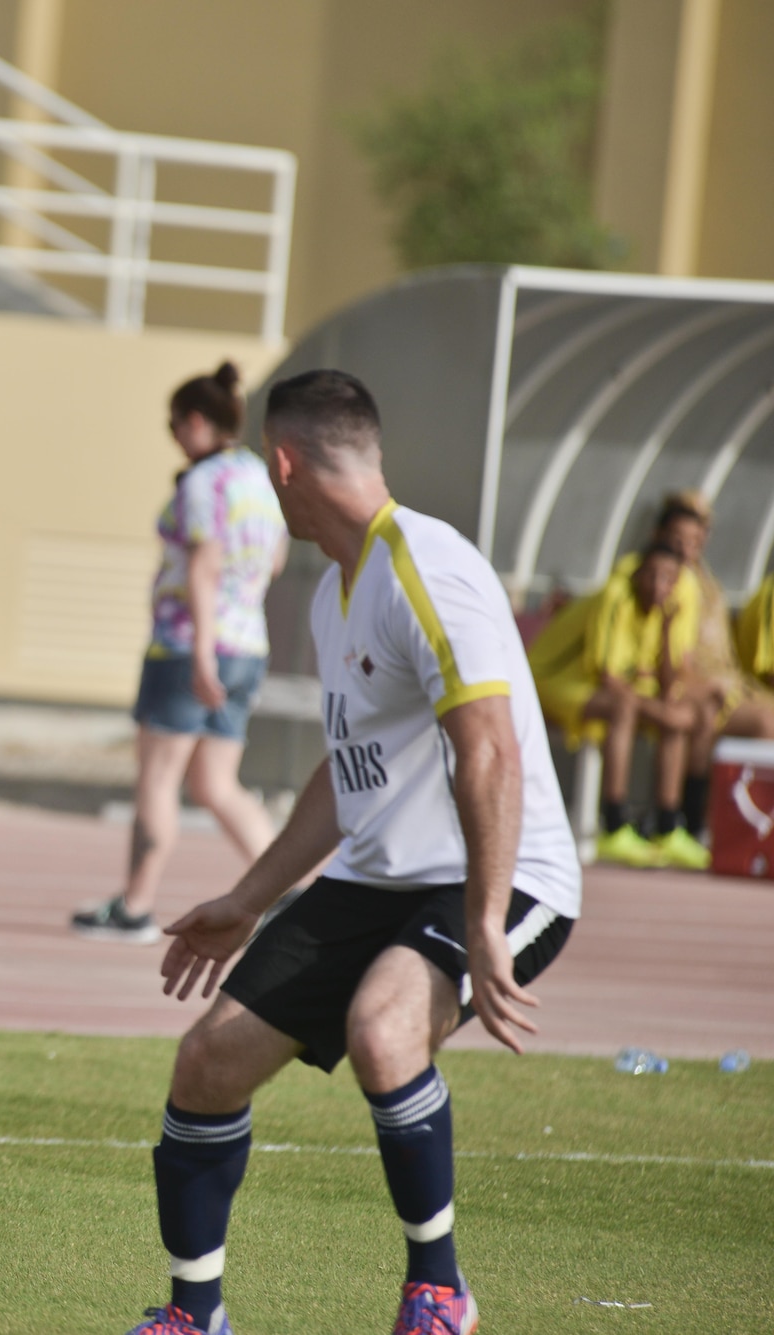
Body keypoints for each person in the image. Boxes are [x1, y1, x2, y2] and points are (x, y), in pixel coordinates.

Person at [121, 370, 580, 1335]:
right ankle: (193, 1316)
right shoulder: (337, 592)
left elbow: (488, 747)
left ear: (284, 464)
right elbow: (347, 776)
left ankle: (439, 1293)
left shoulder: (428, 565)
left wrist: (489, 921)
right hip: (376, 880)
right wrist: (249, 898)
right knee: (207, 1063)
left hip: (504, 874)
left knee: (383, 1029)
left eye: (265, 466)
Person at [73, 362, 285, 943]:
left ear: (196, 422)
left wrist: (200, 658)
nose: (173, 437)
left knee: (158, 780)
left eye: (174, 425)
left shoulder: (201, 484)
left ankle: (136, 907)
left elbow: (203, 565)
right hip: (248, 643)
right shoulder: (258, 478)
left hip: (189, 648)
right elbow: (276, 560)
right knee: (217, 785)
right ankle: (286, 891)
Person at [528, 542, 704, 868]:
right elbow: (608, 676)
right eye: (651, 575)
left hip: (597, 690)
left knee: (675, 717)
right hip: (550, 680)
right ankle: (614, 823)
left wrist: (666, 631)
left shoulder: (669, 611)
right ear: (638, 573)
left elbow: (668, 685)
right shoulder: (617, 597)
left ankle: (667, 826)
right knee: (628, 707)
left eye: (667, 578)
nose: (658, 585)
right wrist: (661, 711)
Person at [645, 491, 774, 842]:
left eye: (698, 537)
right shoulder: (661, 580)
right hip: (687, 686)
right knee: (765, 722)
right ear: (660, 536)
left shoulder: (704, 579)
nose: (688, 547)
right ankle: (730, 829)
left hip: (726, 684)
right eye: (679, 539)